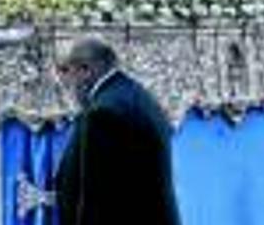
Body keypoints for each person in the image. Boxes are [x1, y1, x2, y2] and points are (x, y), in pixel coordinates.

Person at [54, 38, 182, 225]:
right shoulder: (135, 94)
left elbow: (96, 195)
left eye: (68, 71)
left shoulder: (103, 112)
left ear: (85, 70)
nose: (66, 83)